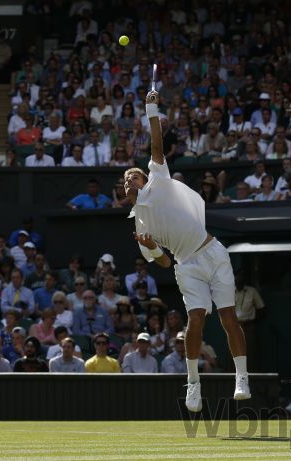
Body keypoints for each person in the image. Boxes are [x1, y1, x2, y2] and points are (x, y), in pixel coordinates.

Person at [124, 89, 249, 412]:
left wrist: (152, 109)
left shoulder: (159, 177)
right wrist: (152, 246)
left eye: (134, 175)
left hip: (213, 253)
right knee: (195, 320)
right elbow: (164, 263)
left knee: (228, 317)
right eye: (125, 180)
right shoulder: (139, 226)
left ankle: (241, 376)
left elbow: (155, 144)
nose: (129, 180)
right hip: (186, 265)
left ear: (144, 177)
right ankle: (193, 384)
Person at [234, 270, 264, 372]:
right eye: (238, 276)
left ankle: (251, 376)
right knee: (233, 352)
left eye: (242, 276)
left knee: (250, 352)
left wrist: (252, 321)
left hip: (248, 326)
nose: (239, 279)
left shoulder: (252, 291)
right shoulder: (229, 291)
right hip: (234, 327)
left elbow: (262, 309)